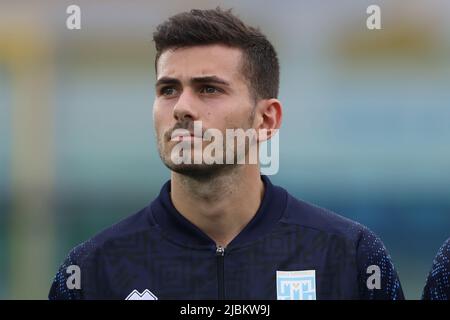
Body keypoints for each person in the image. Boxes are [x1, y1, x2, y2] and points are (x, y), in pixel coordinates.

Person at [49, 7, 404, 300]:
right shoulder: (92, 270)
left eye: (208, 89)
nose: (182, 108)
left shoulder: (350, 256)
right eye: (168, 89)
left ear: (266, 119)